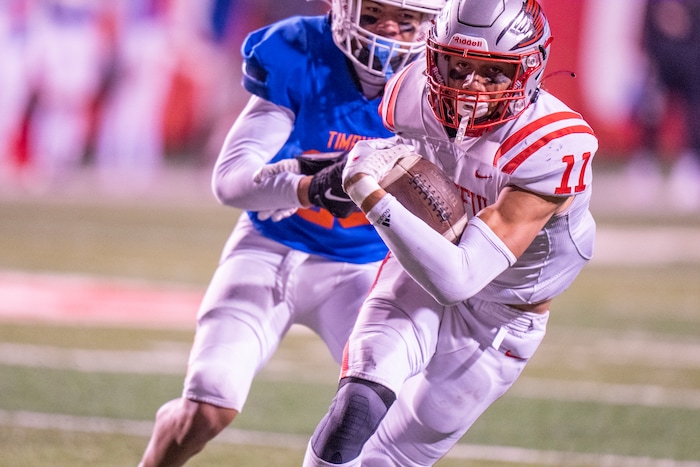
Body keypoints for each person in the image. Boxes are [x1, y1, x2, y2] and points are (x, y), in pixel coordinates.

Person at [138, 0, 446, 465]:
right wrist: (309, 186)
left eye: (406, 21)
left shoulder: (442, 83)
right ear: (344, 10)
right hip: (270, 248)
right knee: (209, 402)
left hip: (364, 270)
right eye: (373, 16)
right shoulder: (299, 51)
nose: (389, 33)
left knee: (388, 418)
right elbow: (230, 180)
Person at [302, 0, 598, 465]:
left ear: (529, 70)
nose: (469, 87)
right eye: (457, 65)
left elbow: (459, 279)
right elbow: (413, 160)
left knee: (390, 458)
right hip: (418, 271)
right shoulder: (411, 94)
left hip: (501, 316)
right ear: (434, 55)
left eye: (492, 73)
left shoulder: (551, 144)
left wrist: (370, 195)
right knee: (355, 407)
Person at [627, 0, 700, 211]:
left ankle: (690, 167)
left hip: (692, 62)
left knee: (694, 116)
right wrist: (648, 61)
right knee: (650, 114)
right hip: (660, 62)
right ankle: (645, 166)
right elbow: (647, 26)